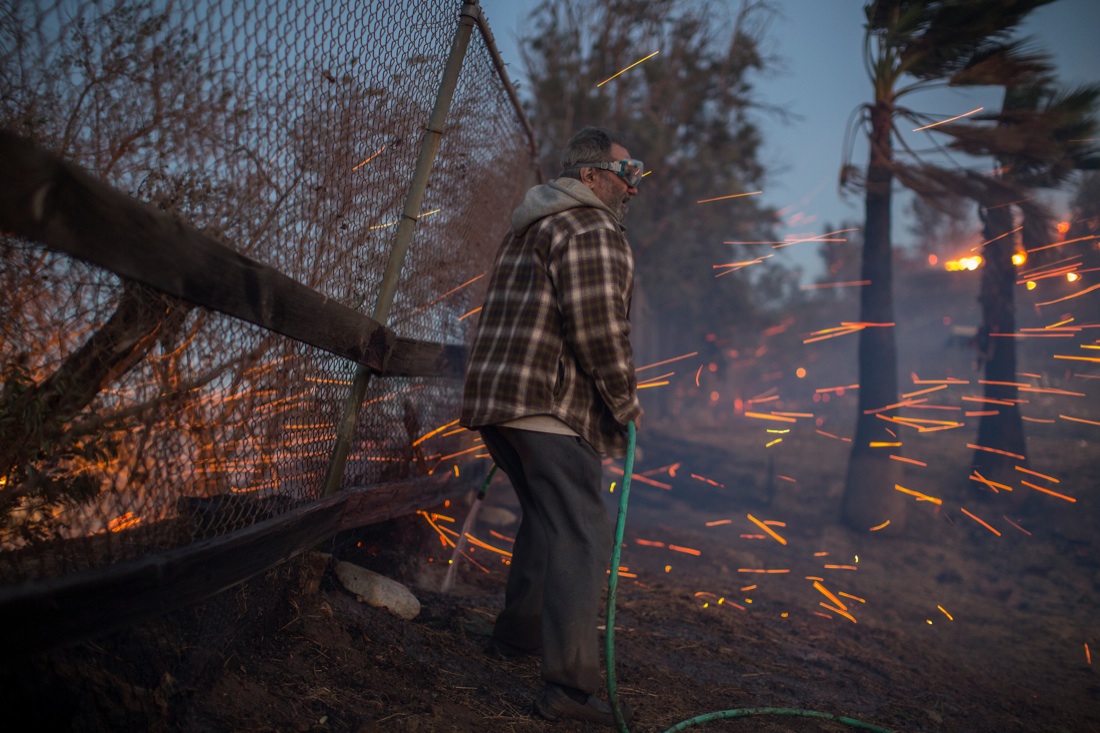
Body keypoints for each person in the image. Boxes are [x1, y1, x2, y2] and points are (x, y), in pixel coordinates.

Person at [460, 126, 644, 726]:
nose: (631, 187)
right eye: (626, 172)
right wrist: (624, 403)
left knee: (546, 518)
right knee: (581, 534)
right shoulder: (589, 227)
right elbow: (598, 329)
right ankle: (567, 691)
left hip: (501, 404)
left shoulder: (532, 224)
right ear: (591, 176)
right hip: (550, 406)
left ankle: (514, 638)